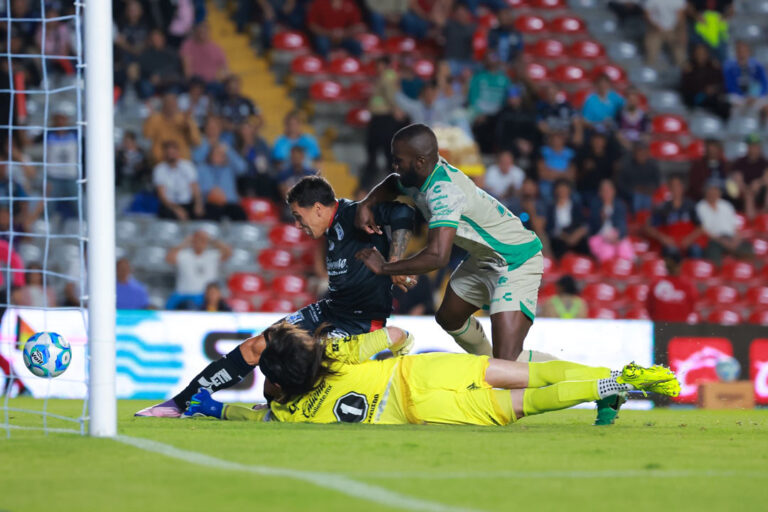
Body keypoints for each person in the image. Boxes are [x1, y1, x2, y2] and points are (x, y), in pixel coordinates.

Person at [136, 176, 415, 417]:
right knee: (257, 347)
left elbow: (403, 212)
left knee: (300, 363)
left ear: (317, 208)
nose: (297, 224)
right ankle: (181, 403)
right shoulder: (333, 227)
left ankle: (281, 407)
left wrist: (395, 262)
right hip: (330, 310)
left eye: (297, 215)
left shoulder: (355, 214)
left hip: (360, 324)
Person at [182, 322, 680, 424]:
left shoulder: (288, 413)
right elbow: (398, 335)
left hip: (422, 408)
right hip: (424, 370)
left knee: (524, 405)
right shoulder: (338, 353)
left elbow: (252, 416)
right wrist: (378, 347)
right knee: (527, 373)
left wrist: (212, 408)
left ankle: (606, 387)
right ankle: (618, 377)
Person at [355, 124, 543, 363]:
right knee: (449, 317)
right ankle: (490, 364)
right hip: (484, 257)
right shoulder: (416, 175)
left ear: (420, 161)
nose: (394, 165)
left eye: (398, 160)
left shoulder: (444, 192)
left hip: (516, 259)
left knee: (508, 359)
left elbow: (437, 256)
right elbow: (392, 183)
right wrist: (366, 203)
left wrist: (385, 268)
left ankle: (593, 380)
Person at [165, 230, 232, 310]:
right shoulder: (184, 255)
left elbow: (228, 253)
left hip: (204, 296)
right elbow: (168, 259)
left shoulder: (212, 255)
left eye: (203, 240)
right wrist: (184, 243)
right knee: (168, 308)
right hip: (183, 293)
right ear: (192, 241)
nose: (200, 243)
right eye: (197, 240)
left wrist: (212, 241)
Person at [643, 176, 704, 258]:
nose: (675, 189)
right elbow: (649, 228)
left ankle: (692, 270)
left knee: (696, 250)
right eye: (673, 186)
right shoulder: (663, 208)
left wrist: (689, 239)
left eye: (678, 186)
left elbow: (700, 227)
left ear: (682, 188)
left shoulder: (690, 206)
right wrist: (663, 238)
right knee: (671, 251)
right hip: (671, 243)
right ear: (669, 188)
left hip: (687, 242)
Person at [696, 180, 752, 264]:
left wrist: (736, 240)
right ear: (706, 192)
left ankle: (747, 273)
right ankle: (718, 274)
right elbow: (704, 230)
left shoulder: (726, 205)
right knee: (712, 251)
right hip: (715, 240)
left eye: (715, 190)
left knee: (748, 248)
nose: (713, 193)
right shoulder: (700, 206)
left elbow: (735, 227)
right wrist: (723, 242)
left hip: (731, 238)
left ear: (719, 192)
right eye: (710, 190)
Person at [468, 53, 511, 153]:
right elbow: (472, 98)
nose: (491, 61)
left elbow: (507, 100)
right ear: (484, 61)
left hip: (498, 114)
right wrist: (478, 113)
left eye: (494, 57)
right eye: (488, 58)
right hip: (479, 113)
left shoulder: (504, 79)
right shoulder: (478, 77)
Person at [152, 140, 204, 221]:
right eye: (168, 153)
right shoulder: (159, 169)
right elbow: (162, 196)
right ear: (164, 153)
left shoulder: (188, 166)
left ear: (178, 152)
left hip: (187, 203)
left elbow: (195, 188)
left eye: (173, 152)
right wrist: (176, 209)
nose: (171, 155)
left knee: (200, 214)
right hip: (169, 205)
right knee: (168, 214)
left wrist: (198, 204)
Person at [196, 142, 248, 221]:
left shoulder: (229, 168)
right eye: (217, 153)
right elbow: (200, 188)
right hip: (211, 203)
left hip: (230, 204)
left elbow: (243, 168)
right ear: (210, 155)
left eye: (222, 154)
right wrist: (212, 194)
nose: (220, 156)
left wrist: (229, 151)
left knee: (241, 215)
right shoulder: (202, 169)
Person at [143, 93, 201, 162]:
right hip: (160, 162)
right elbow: (146, 135)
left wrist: (188, 126)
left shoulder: (185, 119)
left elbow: (197, 142)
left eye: (173, 104)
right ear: (163, 105)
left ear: (177, 105)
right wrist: (149, 119)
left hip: (182, 162)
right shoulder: (155, 119)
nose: (170, 106)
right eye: (168, 104)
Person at [587, 179, 634, 263]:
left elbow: (622, 224)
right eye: (604, 190)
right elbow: (592, 227)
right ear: (600, 192)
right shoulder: (595, 205)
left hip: (616, 237)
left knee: (624, 249)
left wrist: (618, 237)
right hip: (599, 237)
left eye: (609, 190)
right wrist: (601, 219)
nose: (606, 192)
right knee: (607, 252)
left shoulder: (619, 205)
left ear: (614, 191)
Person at [680, 43, 730, 119]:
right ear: (694, 55)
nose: (700, 56)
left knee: (724, 104)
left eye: (703, 53)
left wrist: (714, 89)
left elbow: (721, 84)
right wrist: (703, 90)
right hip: (695, 98)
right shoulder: (689, 69)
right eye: (698, 53)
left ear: (707, 54)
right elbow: (686, 88)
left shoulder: (713, 67)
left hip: (712, 97)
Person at [646, 253, 698, 323]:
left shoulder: (687, 285)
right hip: (663, 327)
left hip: (677, 327)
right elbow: (649, 307)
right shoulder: (656, 284)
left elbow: (692, 307)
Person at [545, 179, 589, 259]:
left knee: (584, 244)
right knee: (558, 245)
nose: (562, 191)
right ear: (556, 191)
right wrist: (565, 237)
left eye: (564, 189)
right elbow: (550, 227)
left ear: (569, 190)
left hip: (574, 233)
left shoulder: (576, 205)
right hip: (560, 236)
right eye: (560, 189)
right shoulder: (551, 207)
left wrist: (575, 235)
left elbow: (584, 224)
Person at [723, 41, 768, 118]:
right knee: (730, 103)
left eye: (744, 51)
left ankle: (764, 127)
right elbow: (730, 86)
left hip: (755, 96)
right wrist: (744, 97)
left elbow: (764, 84)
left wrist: (755, 96)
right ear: (736, 53)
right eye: (739, 51)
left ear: (748, 52)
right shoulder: (729, 67)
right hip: (738, 97)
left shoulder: (757, 66)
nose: (741, 54)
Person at [575, 130, 620, 206]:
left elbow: (614, 177)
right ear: (591, 141)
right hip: (586, 189)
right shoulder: (584, 154)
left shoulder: (610, 156)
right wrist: (585, 169)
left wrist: (616, 170)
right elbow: (576, 177)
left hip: (605, 190)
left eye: (600, 139)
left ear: (605, 142)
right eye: (595, 139)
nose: (598, 142)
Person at [616, 141, 661, 213]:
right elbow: (621, 184)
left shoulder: (652, 166)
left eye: (643, 152)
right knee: (638, 197)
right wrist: (633, 190)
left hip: (648, 192)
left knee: (647, 198)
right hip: (632, 193)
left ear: (647, 154)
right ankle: (637, 219)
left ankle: (646, 219)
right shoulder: (627, 166)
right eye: (639, 152)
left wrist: (649, 189)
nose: (641, 155)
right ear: (634, 154)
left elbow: (657, 182)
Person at [643, 0, 687, 69]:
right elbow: (646, 14)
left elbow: (681, 16)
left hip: (673, 30)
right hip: (655, 30)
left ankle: (683, 74)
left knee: (680, 55)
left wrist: (682, 33)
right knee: (651, 55)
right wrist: (654, 25)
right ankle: (649, 71)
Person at [537, 131, 576, 198]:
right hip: (548, 182)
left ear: (563, 140)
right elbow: (542, 173)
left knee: (575, 196)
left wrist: (552, 173)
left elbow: (572, 175)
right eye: (554, 139)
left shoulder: (570, 153)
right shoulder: (544, 151)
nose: (556, 141)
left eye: (559, 139)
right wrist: (562, 174)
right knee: (545, 191)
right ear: (550, 140)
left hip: (565, 182)